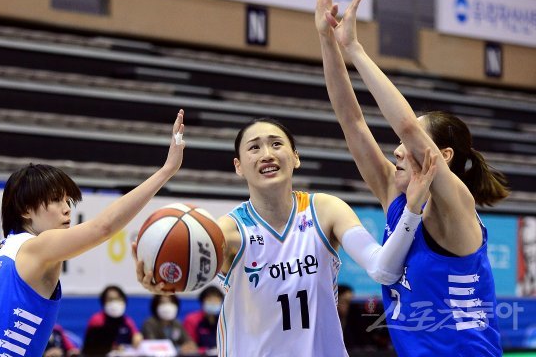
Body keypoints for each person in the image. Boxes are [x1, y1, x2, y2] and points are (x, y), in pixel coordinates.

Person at [315, 0, 509, 356]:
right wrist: (327, 40)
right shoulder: (396, 194)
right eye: (400, 145)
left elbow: (405, 125)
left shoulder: (456, 207)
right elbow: (352, 120)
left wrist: (355, 49)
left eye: (409, 144)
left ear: (443, 156)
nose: (398, 150)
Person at [137, 113, 437, 356]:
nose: (267, 154)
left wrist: (412, 210)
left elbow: (383, 268)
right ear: (238, 167)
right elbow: (187, 270)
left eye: (276, 144)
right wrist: (163, 281)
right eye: (254, 148)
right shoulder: (227, 231)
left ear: (295, 157)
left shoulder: (326, 209)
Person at [0, 110, 186, 357]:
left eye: (68, 201)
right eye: (56, 200)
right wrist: (166, 171)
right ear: (25, 210)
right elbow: (103, 228)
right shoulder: (37, 246)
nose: (67, 209)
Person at [82, 285, 142, 356]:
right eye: (110, 299)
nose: (114, 303)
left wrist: (137, 337)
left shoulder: (127, 320)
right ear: (104, 302)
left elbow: (136, 335)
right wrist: (114, 347)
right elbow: (90, 347)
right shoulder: (97, 320)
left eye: (118, 299)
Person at [183, 286, 224, 353]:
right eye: (209, 299)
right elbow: (190, 347)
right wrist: (206, 351)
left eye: (216, 300)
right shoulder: (192, 320)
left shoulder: (223, 320)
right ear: (202, 302)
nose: (213, 303)